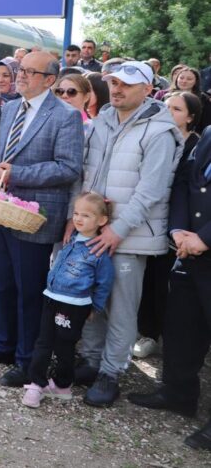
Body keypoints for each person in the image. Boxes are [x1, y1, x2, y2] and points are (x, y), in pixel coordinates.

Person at [69, 61, 183, 407]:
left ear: (148, 90)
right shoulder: (102, 122)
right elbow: (87, 173)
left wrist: (117, 229)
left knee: (121, 308)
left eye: (126, 85)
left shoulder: (159, 132)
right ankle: (91, 360)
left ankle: (111, 372)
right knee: (91, 298)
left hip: (129, 237)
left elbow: (151, 191)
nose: (116, 89)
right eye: (114, 83)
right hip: (93, 231)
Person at [0, 52, 84, 388]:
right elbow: (1, 156)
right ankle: (3, 345)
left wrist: (17, 174)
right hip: (3, 210)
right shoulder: (9, 109)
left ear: (49, 80)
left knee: (29, 291)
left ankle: (26, 361)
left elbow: (68, 167)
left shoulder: (65, 116)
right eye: (19, 70)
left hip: (36, 217)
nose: (19, 76)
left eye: (28, 72)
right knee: (2, 283)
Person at [127, 121, 211, 452]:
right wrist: (178, 230)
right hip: (189, 251)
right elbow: (184, 183)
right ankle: (178, 393)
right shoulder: (208, 133)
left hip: (202, 243)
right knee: (182, 328)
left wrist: (204, 238)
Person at [22, 192, 115, 409]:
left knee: (64, 345)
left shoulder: (98, 251)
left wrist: (96, 306)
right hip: (51, 298)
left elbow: (105, 282)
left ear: (102, 221)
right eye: (76, 213)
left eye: (86, 215)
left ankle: (63, 385)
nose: (79, 219)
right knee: (43, 341)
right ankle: (36, 383)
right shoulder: (71, 240)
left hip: (74, 306)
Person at [131, 91, 201, 359]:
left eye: (177, 109)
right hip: (150, 219)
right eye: (166, 106)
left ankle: (158, 335)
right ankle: (146, 331)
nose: (169, 112)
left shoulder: (195, 145)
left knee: (164, 285)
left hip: (179, 227)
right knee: (148, 281)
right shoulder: (157, 137)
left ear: (191, 117)